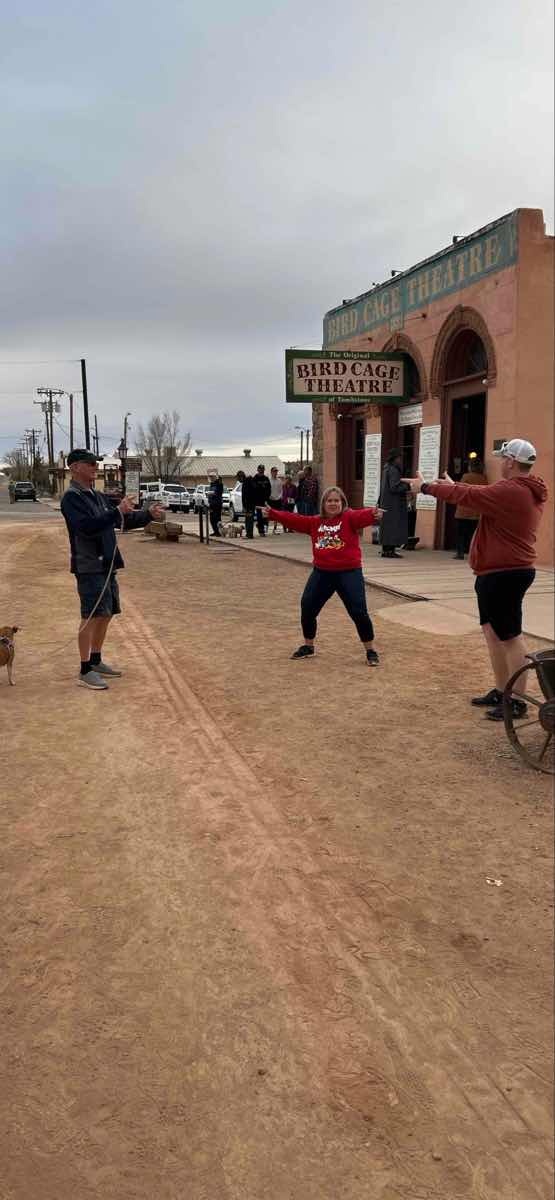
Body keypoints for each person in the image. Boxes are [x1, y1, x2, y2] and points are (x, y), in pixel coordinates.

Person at [403, 439, 547, 722]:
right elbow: (476, 492)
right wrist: (450, 484)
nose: (499, 463)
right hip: (499, 571)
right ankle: (501, 690)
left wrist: (426, 487)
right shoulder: (517, 490)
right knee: (494, 633)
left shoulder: (512, 490)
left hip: (504, 572)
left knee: (510, 636)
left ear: (510, 461)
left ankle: (517, 701)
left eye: (502, 459)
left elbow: (471, 495)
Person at [60, 448, 164, 691]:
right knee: (91, 615)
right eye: (89, 463)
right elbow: (86, 527)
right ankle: (84, 670)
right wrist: (116, 511)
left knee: (106, 613)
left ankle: (95, 660)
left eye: (96, 463)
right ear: (74, 467)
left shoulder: (97, 496)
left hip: (107, 564)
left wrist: (148, 515)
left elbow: (122, 521)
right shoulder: (72, 498)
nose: (95, 467)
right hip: (89, 565)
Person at [262, 487, 384, 666]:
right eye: (329, 501)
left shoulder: (349, 517)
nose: (333, 504)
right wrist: (273, 513)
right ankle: (308, 646)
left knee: (358, 611)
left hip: (349, 573)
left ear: (342, 503)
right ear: (323, 504)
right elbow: (295, 520)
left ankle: (370, 650)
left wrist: (373, 514)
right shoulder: (315, 522)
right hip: (322, 573)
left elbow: (362, 516)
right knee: (307, 606)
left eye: (337, 500)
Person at [453, 455, 488, 559]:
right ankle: (473, 553)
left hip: (464, 510)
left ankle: (460, 553)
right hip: (476, 510)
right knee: (473, 534)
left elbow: (460, 490)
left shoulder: (466, 476)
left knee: (461, 533)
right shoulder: (483, 478)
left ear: (470, 466)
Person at [379, 448, 410, 558]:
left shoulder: (386, 468)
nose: (400, 460)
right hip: (393, 503)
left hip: (386, 502)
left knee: (387, 526)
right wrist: (408, 485)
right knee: (393, 526)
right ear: (395, 458)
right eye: (399, 458)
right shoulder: (393, 470)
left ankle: (386, 550)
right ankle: (390, 551)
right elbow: (394, 486)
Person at [251, 464, 271, 536]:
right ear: (258, 470)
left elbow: (269, 489)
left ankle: (260, 525)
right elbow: (253, 490)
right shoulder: (255, 479)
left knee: (265, 516)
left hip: (265, 501)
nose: (261, 470)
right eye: (260, 469)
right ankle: (261, 531)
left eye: (263, 469)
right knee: (259, 516)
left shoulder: (266, 478)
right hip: (258, 501)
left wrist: (267, 498)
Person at [236, 469, 256, 538]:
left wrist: (245, 506)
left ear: (241, 477)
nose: (238, 480)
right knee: (248, 519)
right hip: (250, 505)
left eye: (238, 478)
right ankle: (249, 533)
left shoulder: (246, 483)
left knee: (249, 520)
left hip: (249, 505)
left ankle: (249, 534)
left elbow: (246, 496)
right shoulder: (248, 482)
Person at [206, 468, 224, 536]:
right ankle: (215, 531)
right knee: (212, 518)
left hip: (217, 504)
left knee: (217, 518)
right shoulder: (212, 484)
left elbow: (218, 493)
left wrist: (212, 493)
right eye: (210, 477)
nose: (211, 478)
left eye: (212, 477)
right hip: (212, 503)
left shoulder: (219, 484)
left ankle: (219, 532)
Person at [269, 466, 283, 533]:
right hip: (270, 499)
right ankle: (266, 527)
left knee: (276, 515)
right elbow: (267, 490)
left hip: (277, 499)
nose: (275, 473)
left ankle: (275, 528)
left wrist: (279, 497)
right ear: (271, 472)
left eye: (276, 471)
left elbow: (281, 490)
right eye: (274, 471)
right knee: (269, 514)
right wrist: (270, 496)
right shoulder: (268, 480)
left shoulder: (279, 481)